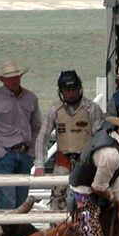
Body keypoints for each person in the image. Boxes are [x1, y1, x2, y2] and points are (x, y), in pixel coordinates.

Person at [33, 70, 104, 210]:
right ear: (61, 91)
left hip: (85, 162)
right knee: (57, 200)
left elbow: (100, 137)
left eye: (74, 89)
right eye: (67, 90)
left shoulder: (92, 109)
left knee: (87, 201)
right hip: (63, 163)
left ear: (79, 89)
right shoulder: (55, 110)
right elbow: (42, 137)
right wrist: (40, 164)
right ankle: (57, 230)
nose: (71, 93)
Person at [0, 60, 42, 209]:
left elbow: (37, 127)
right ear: (2, 80)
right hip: (4, 155)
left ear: (20, 77)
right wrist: (1, 152)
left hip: (24, 153)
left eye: (16, 76)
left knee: (21, 202)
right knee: (8, 201)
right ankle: (9, 231)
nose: (14, 80)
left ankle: (17, 232)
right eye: (10, 77)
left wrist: (31, 152)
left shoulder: (31, 97)